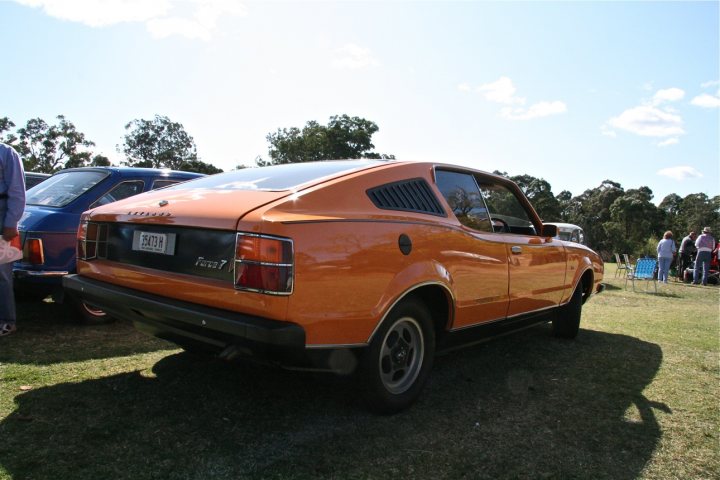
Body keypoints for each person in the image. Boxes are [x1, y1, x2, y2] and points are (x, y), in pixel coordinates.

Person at [0, 143, 25, 337]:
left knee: (1, 274)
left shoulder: (7, 153)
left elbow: (17, 190)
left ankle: (7, 321)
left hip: (1, 217)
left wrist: (11, 222)